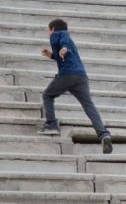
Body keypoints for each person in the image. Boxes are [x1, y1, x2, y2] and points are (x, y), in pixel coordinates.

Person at [39, 18, 113, 154]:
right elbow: (66, 54)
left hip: (67, 75)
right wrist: (53, 55)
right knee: (88, 105)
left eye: (49, 30)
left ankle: (51, 125)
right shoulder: (69, 42)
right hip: (81, 76)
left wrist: (63, 47)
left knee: (47, 95)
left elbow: (63, 39)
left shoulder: (60, 35)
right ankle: (103, 134)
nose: (48, 33)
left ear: (53, 29)